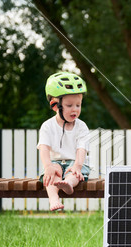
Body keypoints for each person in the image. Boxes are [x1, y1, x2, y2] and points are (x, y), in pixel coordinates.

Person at [37, 71, 90, 211]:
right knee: (51, 175)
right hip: (55, 163)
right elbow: (44, 148)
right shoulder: (48, 126)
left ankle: (68, 184)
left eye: (78, 105)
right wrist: (48, 166)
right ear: (55, 106)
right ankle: (54, 198)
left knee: (74, 173)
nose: (75, 109)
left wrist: (78, 165)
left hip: (75, 162)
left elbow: (81, 148)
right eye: (69, 105)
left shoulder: (81, 126)